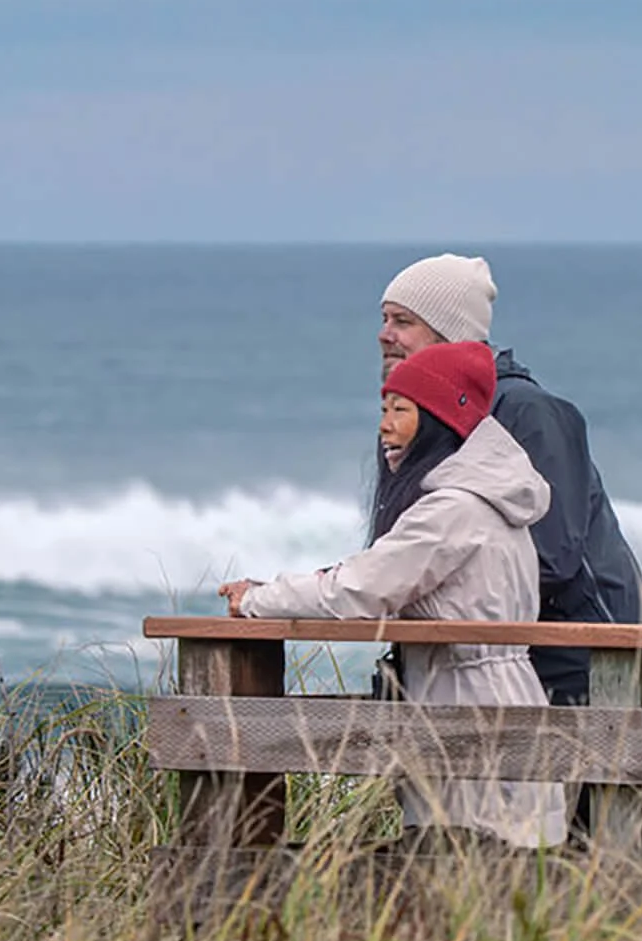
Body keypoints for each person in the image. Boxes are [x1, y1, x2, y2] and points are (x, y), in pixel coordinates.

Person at [217, 341, 567, 851]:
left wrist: (257, 600)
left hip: (468, 704)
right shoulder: (485, 503)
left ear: (440, 420)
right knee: (509, 858)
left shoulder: (452, 510)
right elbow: (373, 576)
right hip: (496, 694)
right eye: (383, 409)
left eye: (400, 410)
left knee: (467, 857)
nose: (384, 426)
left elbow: (360, 589)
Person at [374, 253, 642, 707]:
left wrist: (407, 585)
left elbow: (550, 558)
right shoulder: (410, 421)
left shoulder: (528, 411)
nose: (384, 334)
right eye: (385, 319)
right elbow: (396, 550)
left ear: (451, 333)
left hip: (593, 663)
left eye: (403, 321)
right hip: (473, 671)